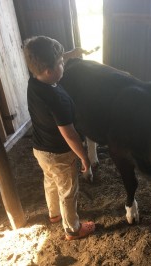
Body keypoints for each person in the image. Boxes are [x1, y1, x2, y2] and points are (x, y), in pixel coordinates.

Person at [23, 36, 95, 240]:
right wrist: (84, 156)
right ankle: (72, 229)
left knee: (50, 182)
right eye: (61, 63)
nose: (64, 64)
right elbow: (69, 134)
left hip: (40, 149)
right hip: (60, 154)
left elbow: (49, 58)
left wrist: (72, 53)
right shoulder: (58, 100)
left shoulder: (34, 82)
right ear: (49, 71)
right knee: (68, 190)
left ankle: (54, 214)